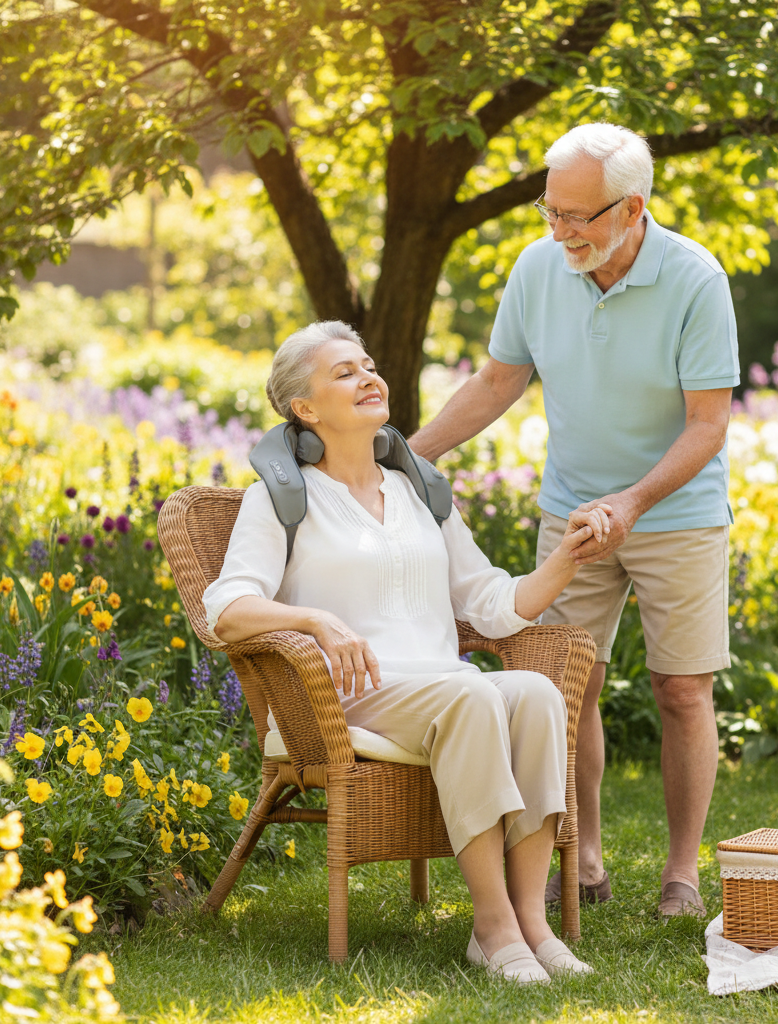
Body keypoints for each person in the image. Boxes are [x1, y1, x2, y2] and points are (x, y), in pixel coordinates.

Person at [203, 320, 611, 983]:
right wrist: (315, 621)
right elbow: (224, 610)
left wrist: (567, 558)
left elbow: (489, 601)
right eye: (344, 372)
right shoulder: (282, 498)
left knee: (532, 693)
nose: (368, 377)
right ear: (304, 408)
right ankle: (493, 926)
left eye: (368, 365)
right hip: (345, 695)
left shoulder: (420, 494)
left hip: (439, 685)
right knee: (472, 692)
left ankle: (532, 920)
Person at [410, 123, 739, 918]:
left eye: (578, 217)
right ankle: (584, 861)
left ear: (632, 209)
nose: (560, 232)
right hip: (571, 512)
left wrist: (632, 502)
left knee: (681, 691)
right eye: (550, 212)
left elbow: (707, 425)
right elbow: (496, 383)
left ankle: (681, 877)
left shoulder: (695, 278)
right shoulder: (538, 267)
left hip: (675, 513)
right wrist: (402, 456)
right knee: (567, 685)